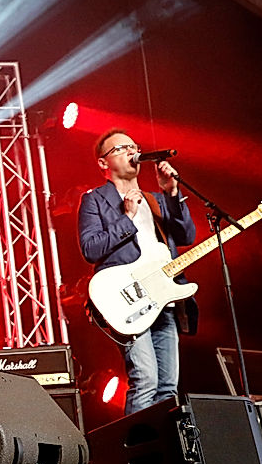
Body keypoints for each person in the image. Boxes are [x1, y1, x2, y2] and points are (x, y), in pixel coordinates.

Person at [78, 128, 197, 414]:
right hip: (128, 299)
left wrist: (172, 193)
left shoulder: (155, 199)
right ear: (103, 163)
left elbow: (186, 236)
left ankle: (164, 442)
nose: (132, 151)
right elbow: (90, 249)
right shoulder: (95, 200)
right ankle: (138, 443)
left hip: (163, 299)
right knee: (145, 380)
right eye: (121, 148)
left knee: (168, 387)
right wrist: (128, 217)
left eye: (134, 146)